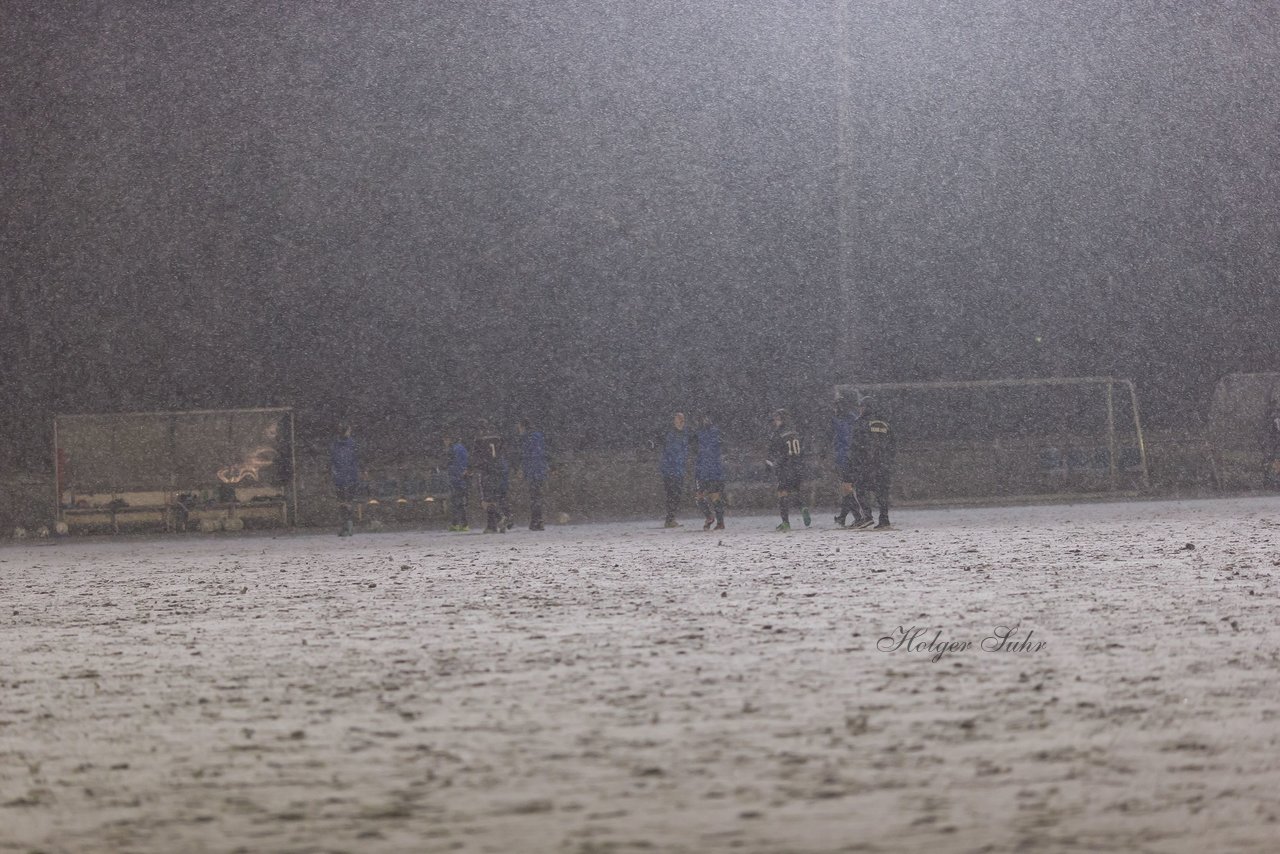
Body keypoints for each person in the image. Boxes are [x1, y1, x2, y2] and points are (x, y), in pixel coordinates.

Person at [851, 394, 897, 529]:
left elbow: (856, 445)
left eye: (861, 407)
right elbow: (893, 443)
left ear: (865, 408)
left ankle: (867, 516)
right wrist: (888, 458)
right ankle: (884, 519)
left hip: (867, 463)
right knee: (882, 491)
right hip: (884, 463)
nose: (859, 410)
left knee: (859, 488)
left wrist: (855, 461)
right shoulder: (885, 423)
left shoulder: (861, 422)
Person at [766, 408, 810, 531]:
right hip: (798, 466)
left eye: (777, 419)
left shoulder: (778, 434)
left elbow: (776, 452)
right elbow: (802, 450)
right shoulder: (795, 432)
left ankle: (786, 523)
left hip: (786, 467)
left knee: (782, 493)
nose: (775, 421)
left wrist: (772, 464)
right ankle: (803, 507)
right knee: (795, 491)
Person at [831, 397, 871, 528]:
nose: (834, 410)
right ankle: (845, 517)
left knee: (848, 488)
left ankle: (860, 517)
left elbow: (849, 441)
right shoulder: (847, 419)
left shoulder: (849, 421)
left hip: (849, 458)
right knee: (847, 488)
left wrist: (848, 455)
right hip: (847, 457)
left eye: (836, 407)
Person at [472, 421, 510, 533]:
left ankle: (498, 520)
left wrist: (472, 467)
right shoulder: (498, 438)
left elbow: (476, 456)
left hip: (485, 470)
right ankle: (495, 523)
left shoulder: (479, 440)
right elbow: (503, 453)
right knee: (494, 498)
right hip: (497, 470)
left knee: (485, 500)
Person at [692, 414, 726, 530]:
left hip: (712, 470)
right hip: (702, 469)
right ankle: (710, 517)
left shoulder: (713, 432)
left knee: (714, 496)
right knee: (699, 497)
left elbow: (716, 447)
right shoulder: (698, 434)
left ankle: (720, 522)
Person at [659, 411, 690, 528]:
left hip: (679, 469)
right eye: (678, 418)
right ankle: (670, 518)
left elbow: (683, 450)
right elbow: (670, 450)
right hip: (670, 469)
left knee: (676, 494)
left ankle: (671, 518)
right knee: (671, 494)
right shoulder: (670, 434)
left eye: (682, 418)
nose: (681, 421)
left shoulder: (685, 434)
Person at [330, 422, 361, 536]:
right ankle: (348, 526)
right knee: (347, 502)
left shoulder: (336, 445)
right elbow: (356, 459)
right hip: (349, 476)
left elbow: (333, 461)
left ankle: (346, 526)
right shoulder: (351, 444)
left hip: (341, 477)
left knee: (343, 502)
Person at [517, 418, 549, 530]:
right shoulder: (538, 437)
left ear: (523, 427)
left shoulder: (528, 439)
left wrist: (524, 470)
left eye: (519, 427)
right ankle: (537, 521)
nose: (518, 430)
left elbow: (528, 457)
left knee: (534, 497)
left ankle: (536, 521)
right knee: (537, 497)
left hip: (534, 472)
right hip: (540, 471)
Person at [443, 430, 470, 532]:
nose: (444, 442)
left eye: (446, 439)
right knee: (457, 502)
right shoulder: (460, 448)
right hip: (459, 478)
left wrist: (458, 475)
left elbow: (455, 464)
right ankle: (457, 523)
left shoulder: (454, 449)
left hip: (457, 478)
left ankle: (462, 524)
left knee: (457, 502)